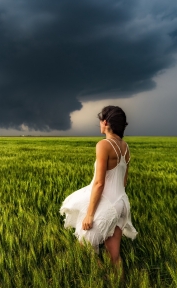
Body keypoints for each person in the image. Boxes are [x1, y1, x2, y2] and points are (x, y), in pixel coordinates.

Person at [60, 105, 137, 267]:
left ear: (106, 122)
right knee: (114, 256)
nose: (100, 124)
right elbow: (124, 181)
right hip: (122, 203)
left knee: (84, 248)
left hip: (109, 204)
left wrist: (89, 214)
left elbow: (99, 183)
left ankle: (103, 280)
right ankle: (117, 283)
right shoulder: (125, 147)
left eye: (101, 121)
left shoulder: (104, 145)